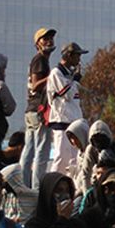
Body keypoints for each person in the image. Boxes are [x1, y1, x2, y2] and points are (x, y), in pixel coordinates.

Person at [19, 27, 56, 189]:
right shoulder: (40, 60)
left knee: (29, 150)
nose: (49, 41)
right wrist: (54, 76)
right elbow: (35, 85)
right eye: (44, 38)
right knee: (42, 151)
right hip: (39, 111)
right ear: (37, 44)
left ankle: (23, 185)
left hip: (32, 110)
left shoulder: (41, 60)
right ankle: (36, 189)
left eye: (50, 38)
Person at [46, 41, 87, 177]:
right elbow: (67, 94)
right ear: (68, 55)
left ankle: (72, 187)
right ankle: (52, 183)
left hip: (74, 121)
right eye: (77, 55)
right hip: (62, 121)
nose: (79, 59)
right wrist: (75, 80)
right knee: (61, 157)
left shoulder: (69, 74)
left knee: (74, 160)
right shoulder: (56, 73)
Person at [75, 120, 115, 196]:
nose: (99, 142)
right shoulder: (91, 149)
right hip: (95, 183)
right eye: (95, 139)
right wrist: (87, 195)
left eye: (102, 138)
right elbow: (86, 173)